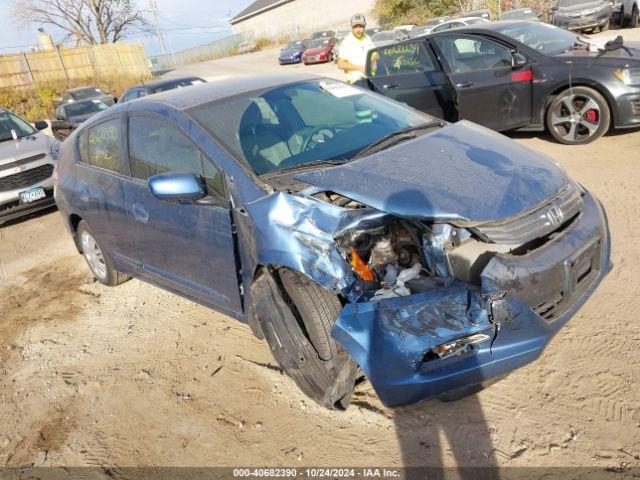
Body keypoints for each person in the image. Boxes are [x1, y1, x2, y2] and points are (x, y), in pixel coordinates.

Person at [337, 13, 375, 83]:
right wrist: (361, 68)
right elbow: (340, 64)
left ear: (365, 26)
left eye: (360, 26)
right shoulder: (347, 42)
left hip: (371, 77)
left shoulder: (367, 38)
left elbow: (375, 54)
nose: (358, 29)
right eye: (355, 27)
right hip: (356, 80)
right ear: (352, 27)